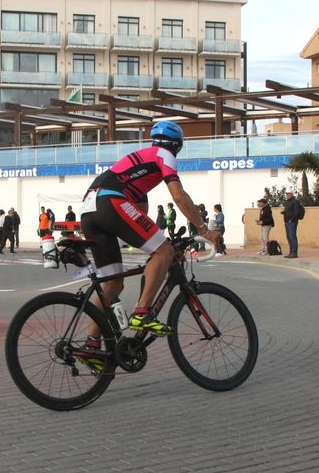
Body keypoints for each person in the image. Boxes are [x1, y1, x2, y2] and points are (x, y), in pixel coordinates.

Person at [75, 121, 219, 373]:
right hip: (110, 202)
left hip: (89, 209)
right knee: (163, 251)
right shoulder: (164, 155)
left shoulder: (139, 163)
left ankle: (91, 344)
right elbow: (179, 196)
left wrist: (158, 243)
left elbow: (140, 216)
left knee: (112, 285)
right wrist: (204, 230)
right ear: (177, 146)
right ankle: (142, 313)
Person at [282, 188, 302, 258]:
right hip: (287, 222)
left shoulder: (295, 202)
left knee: (292, 237)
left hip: (292, 222)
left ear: (292, 194)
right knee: (289, 237)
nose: (287, 195)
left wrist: (291, 220)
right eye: (286, 194)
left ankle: (294, 253)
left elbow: (296, 212)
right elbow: (289, 211)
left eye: (288, 194)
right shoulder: (287, 202)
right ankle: (291, 252)